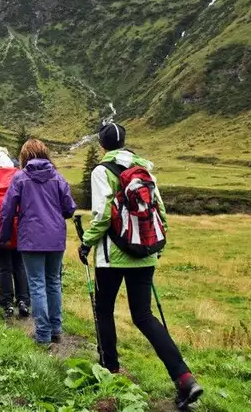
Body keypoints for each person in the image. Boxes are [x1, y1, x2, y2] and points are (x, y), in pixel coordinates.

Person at [78, 123, 203, 409]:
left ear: (102, 145)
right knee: (144, 316)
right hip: (145, 253)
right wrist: (157, 247)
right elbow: (160, 211)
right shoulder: (145, 169)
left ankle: (110, 369)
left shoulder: (102, 171)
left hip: (112, 257)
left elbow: (102, 216)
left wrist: (86, 243)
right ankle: (184, 378)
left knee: (104, 310)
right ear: (125, 142)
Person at [0, 139, 75, 345]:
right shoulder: (58, 178)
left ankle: (42, 334)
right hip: (56, 239)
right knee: (54, 282)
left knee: (37, 284)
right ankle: (56, 328)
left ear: (25, 157)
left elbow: (7, 211)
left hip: (31, 239)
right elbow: (69, 208)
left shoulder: (20, 179)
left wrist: (5, 236)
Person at [0, 147, 30, 319]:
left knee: (4, 268)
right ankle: (24, 300)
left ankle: (6, 302)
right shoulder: (18, 175)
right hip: (17, 226)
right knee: (19, 265)